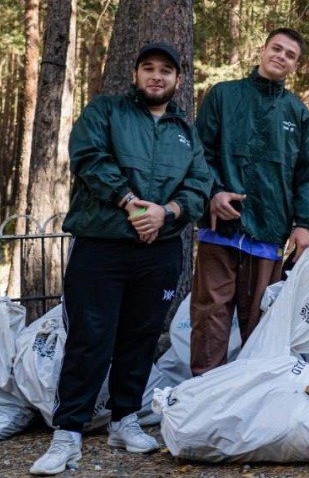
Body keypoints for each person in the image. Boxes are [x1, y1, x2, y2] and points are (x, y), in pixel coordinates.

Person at [30, 43, 211, 476]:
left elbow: (201, 183)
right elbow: (89, 158)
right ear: (135, 75)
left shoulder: (185, 130)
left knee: (141, 335)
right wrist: (132, 205)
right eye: (148, 68)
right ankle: (68, 432)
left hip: (160, 249)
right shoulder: (106, 111)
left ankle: (124, 419)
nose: (156, 76)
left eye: (166, 71)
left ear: (177, 81)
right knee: (91, 336)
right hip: (103, 244)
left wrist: (166, 212)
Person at [190, 27, 309, 376]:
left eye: (290, 55)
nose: (281, 56)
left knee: (260, 319)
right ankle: (205, 394)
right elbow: (199, 153)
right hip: (221, 226)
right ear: (262, 51)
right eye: (276, 49)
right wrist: (214, 191)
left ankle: (253, 395)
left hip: (270, 230)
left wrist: (304, 223)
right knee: (211, 314)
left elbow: (308, 175)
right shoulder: (223, 95)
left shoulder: (297, 112)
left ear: (296, 65)